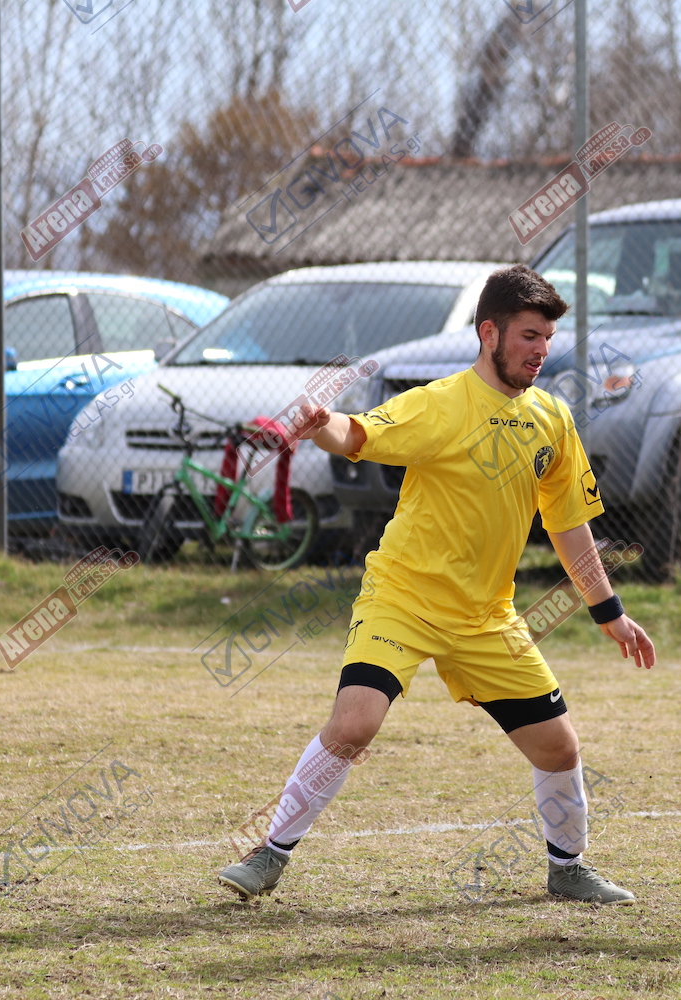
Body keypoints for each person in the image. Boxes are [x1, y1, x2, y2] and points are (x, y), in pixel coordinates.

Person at [218, 265, 656, 905]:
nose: (540, 349)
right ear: (489, 333)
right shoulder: (440, 403)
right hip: (403, 599)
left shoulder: (552, 420)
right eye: (528, 335)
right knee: (355, 724)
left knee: (559, 749)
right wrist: (323, 423)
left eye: (547, 338)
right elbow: (360, 434)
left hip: (487, 617)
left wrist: (608, 612)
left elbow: (568, 525)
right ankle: (269, 854)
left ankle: (567, 869)